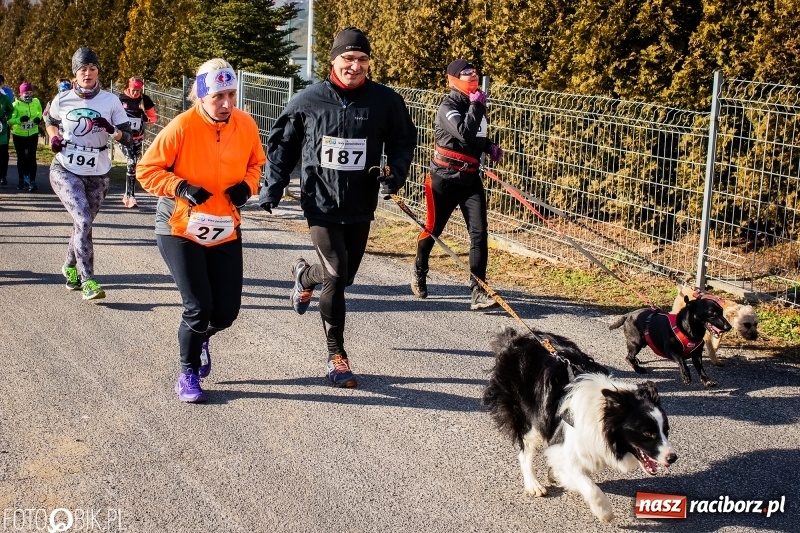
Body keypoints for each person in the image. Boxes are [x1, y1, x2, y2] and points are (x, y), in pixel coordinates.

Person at [258, 27, 417, 388]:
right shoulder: (308, 100)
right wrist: (273, 187)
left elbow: (403, 140)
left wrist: (396, 175)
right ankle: (336, 356)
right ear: (333, 60)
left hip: (361, 203)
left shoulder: (384, 101)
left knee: (342, 277)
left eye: (362, 59)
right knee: (337, 273)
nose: (355, 66)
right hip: (320, 202)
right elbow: (283, 146)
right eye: (348, 58)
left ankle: (303, 275)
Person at [137, 58, 265, 403]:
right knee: (198, 305)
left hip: (224, 225)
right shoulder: (181, 126)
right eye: (218, 97)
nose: (226, 104)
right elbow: (145, 170)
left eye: (231, 95)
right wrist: (179, 186)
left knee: (226, 312)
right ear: (201, 97)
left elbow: (256, 164)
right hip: (179, 226)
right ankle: (188, 373)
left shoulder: (246, 125)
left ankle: (200, 336)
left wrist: (248, 187)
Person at [410, 59, 504, 311]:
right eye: (466, 74)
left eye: (474, 73)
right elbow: (463, 132)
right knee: (433, 228)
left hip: (470, 180)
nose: (472, 77)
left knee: (479, 233)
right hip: (443, 179)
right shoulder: (448, 106)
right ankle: (420, 267)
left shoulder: (478, 104)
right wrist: (476, 106)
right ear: (453, 79)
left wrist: (489, 146)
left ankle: (478, 291)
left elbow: (476, 136)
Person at [45, 47, 133, 300]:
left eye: (92, 69)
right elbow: (49, 120)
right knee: (83, 220)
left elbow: (129, 137)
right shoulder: (62, 99)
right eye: (83, 69)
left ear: (97, 72)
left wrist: (112, 130)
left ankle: (69, 266)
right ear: (75, 74)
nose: (88, 73)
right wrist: (53, 138)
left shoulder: (111, 101)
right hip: (65, 168)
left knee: (83, 223)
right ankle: (88, 281)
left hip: (99, 171)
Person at [117, 76, 157, 208]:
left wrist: (145, 117)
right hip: (124, 137)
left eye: (138, 90)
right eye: (133, 90)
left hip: (138, 138)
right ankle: (130, 196)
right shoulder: (120, 99)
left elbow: (153, 119)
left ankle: (127, 195)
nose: (135, 93)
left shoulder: (145, 100)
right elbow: (112, 115)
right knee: (132, 161)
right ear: (129, 87)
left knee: (133, 166)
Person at [9, 82, 43, 191]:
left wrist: (38, 118)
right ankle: (21, 180)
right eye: (25, 93)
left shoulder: (36, 101)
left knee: (32, 157)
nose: (28, 95)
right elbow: (10, 121)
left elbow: (40, 112)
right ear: (20, 94)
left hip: (32, 133)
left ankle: (32, 182)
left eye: (30, 92)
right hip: (19, 135)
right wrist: (19, 120)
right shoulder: (15, 105)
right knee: (22, 158)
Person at [0, 89, 13, 187]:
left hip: (2, 132)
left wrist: (6, 117)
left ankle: (2, 176)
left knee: (2, 157)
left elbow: (10, 110)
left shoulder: (4, 98)